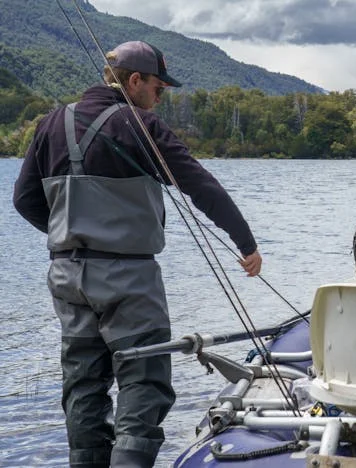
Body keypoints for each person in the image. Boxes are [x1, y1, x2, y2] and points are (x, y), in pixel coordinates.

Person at [13, 41, 262, 468]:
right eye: (158, 88)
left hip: (66, 276)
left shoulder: (51, 123)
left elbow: (25, 200)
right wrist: (246, 244)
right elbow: (200, 187)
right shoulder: (141, 125)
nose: (159, 98)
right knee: (144, 382)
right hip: (128, 277)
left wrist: (68, 238)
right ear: (134, 81)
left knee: (84, 383)